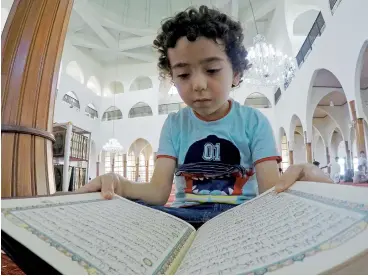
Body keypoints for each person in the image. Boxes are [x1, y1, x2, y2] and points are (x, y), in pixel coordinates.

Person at [77, 6, 332, 228]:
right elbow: (157, 192)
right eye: (184, 75)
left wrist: (303, 173)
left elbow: (270, 190)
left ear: (236, 73)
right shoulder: (175, 124)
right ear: (172, 78)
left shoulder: (254, 122)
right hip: (183, 217)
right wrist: (118, 184)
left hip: (242, 216)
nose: (198, 84)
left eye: (211, 70)